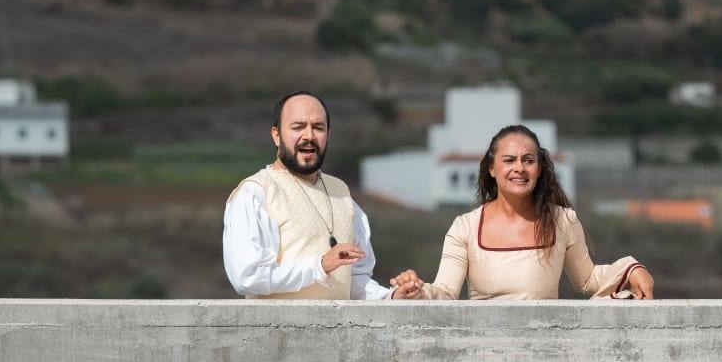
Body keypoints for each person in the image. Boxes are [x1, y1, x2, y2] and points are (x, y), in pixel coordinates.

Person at [390, 125, 654, 301]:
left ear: (539, 169)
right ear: (491, 169)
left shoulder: (563, 220)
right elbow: (445, 292)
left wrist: (630, 269)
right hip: (483, 355)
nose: (520, 168)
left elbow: (587, 280)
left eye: (528, 160)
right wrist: (416, 290)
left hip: (546, 351)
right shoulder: (465, 227)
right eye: (509, 160)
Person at [223, 91, 423, 300]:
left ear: (328, 134)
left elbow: (352, 278)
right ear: (276, 135)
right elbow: (247, 277)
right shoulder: (254, 193)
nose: (309, 136)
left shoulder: (342, 193)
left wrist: (390, 298)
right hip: (277, 332)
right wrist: (318, 266)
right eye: (298, 127)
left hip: (341, 332)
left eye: (318, 127)